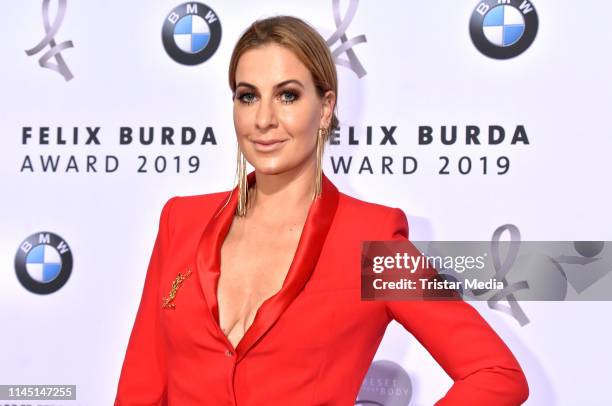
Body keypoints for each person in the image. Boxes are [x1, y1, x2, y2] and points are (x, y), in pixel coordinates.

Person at [114, 15, 529, 405]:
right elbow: (141, 387)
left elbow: (496, 373)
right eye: (247, 96)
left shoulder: (374, 242)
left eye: (287, 95)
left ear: (325, 108)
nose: (263, 119)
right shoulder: (181, 222)